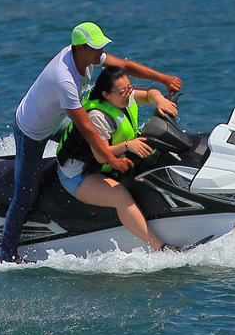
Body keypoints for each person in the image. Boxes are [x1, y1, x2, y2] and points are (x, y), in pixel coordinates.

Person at [0, 22, 181, 263]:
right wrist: (112, 159)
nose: (101, 52)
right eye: (96, 48)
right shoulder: (64, 79)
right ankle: (7, 254)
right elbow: (86, 128)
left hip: (56, 118)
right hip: (32, 130)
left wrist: (164, 79)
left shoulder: (86, 57)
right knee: (26, 193)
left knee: (81, 144)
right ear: (79, 48)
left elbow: (125, 66)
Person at [54, 66, 180, 252]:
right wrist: (128, 145)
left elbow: (148, 94)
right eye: (122, 91)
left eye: (129, 88)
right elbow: (101, 155)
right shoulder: (97, 116)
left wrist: (159, 99)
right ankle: (160, 247)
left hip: (107, 163)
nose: (128, 93)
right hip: (78, 174)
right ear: (106, 94)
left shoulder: (123, 96)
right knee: (120, 196)